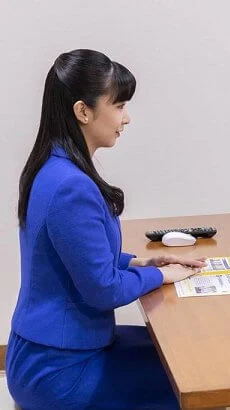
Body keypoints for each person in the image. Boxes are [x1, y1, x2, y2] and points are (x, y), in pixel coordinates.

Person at [6, 49, 207, 410]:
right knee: (194, 379)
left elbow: (81, 258)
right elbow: (103, 289)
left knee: (190, 356)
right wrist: (162, 276)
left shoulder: (52, 166)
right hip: (59, 370)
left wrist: (139, 264)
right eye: (118, 106)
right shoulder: (70, 186)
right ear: (83, 111)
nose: (126, 118)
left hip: (54, 350)